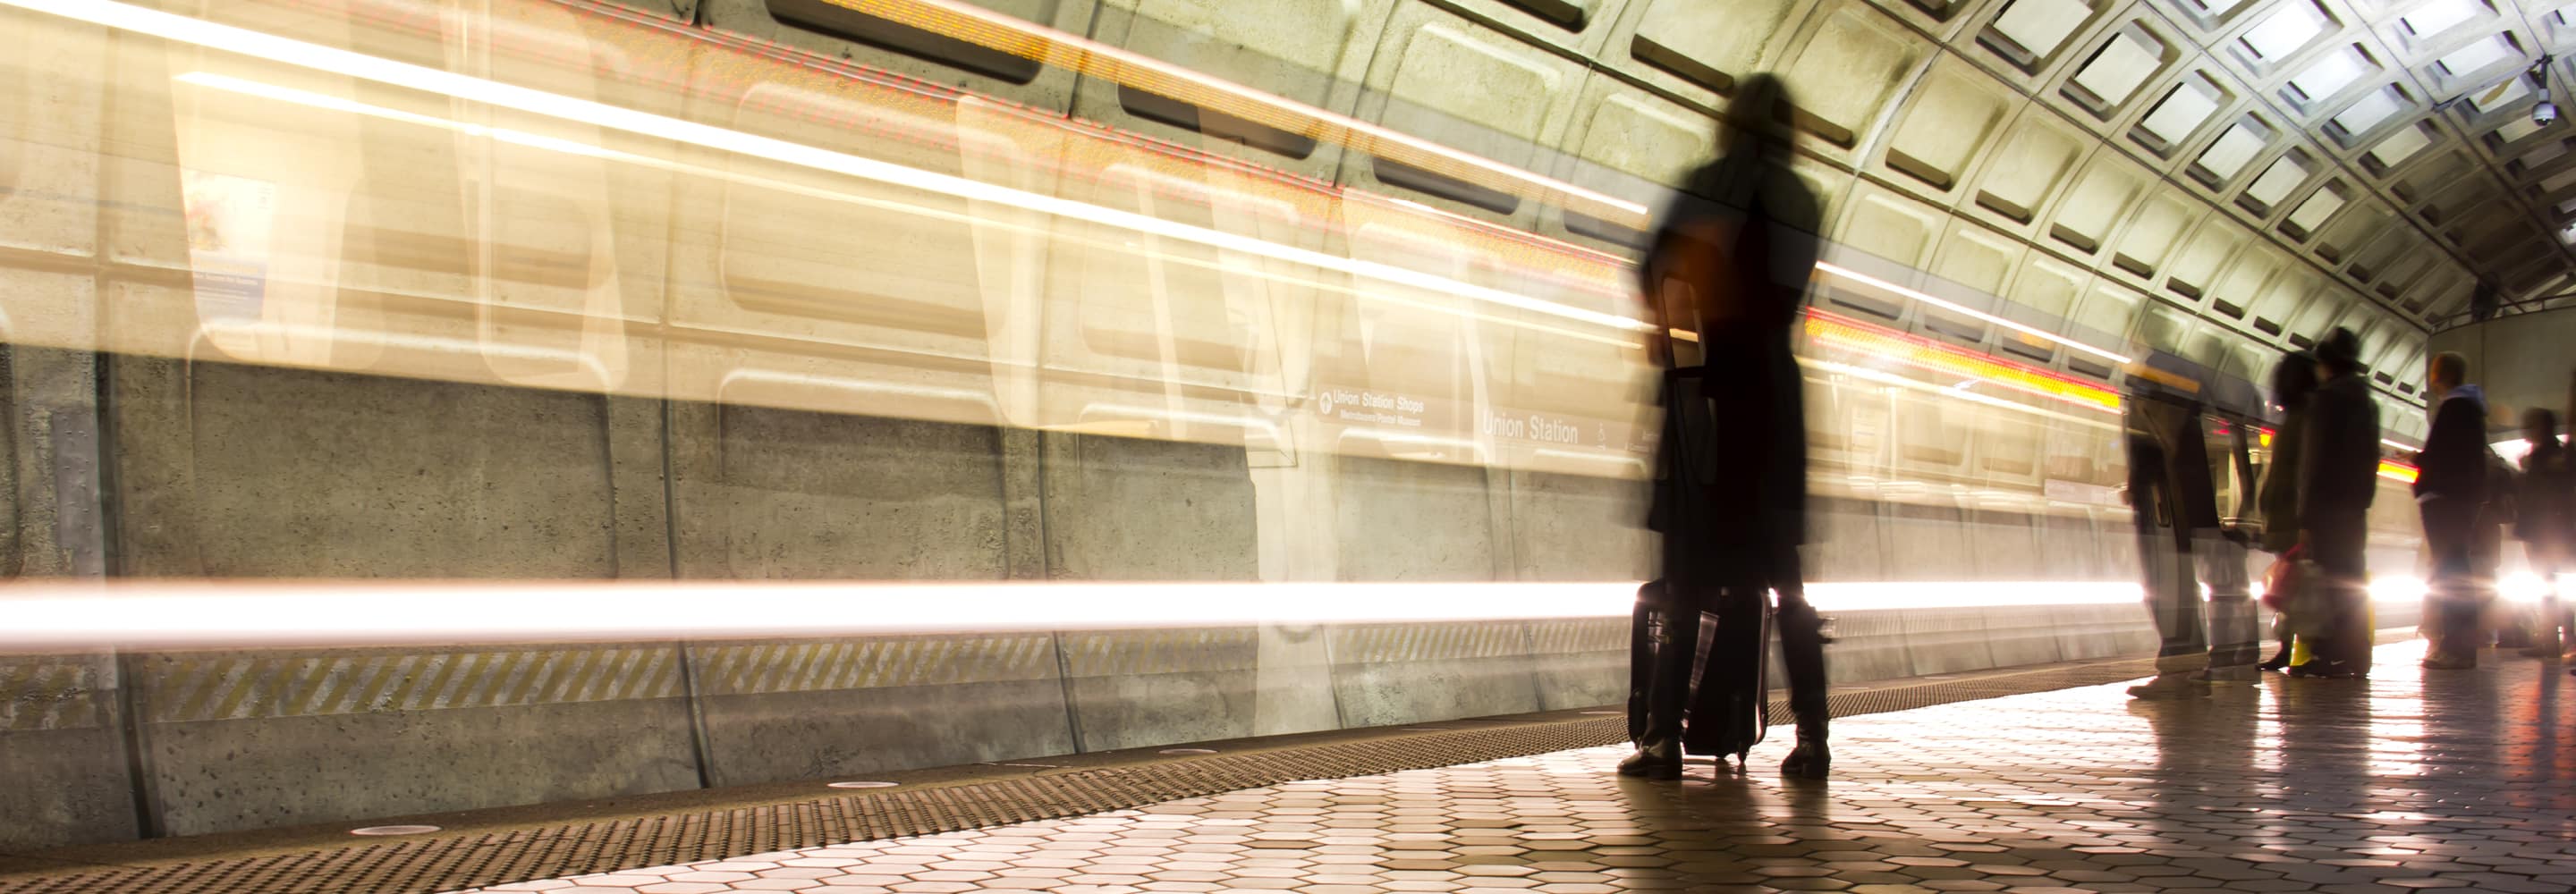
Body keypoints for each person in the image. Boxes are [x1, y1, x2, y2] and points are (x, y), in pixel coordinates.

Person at [1623, 72, 1830, 781]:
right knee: (1787, 584)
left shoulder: (1705, 186)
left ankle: (1662, 740)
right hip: (1773, 399)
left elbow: (1656, 276)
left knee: (1686, 583)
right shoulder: (1803, 198)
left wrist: (1678, 358)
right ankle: (1813, 738)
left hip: (1706, 399)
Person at [2297, 327, 2379, 679]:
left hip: (2327, 508)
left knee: (2327, 581)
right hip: (2354, 508)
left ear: (2326, 364)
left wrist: (2305, 515)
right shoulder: (2367, 403)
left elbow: (2314, 461)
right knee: (2352, 581)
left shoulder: (2326, 400)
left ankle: (2328, 653)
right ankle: (2355, 655)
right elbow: (2370, 458)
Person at [2414, 351, 2492, 670]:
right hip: (2458, 499)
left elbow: (2446, 457)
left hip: (2446, 500)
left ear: (2439, 374)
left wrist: (2422, 466)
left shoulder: (2455, 408)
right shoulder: (2469, 409)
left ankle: (2455, 648)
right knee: (2455, 571)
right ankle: (2458, 646)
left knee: (2451, 574)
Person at [2258, 351, 2320, 672]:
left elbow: (2296, 470)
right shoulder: (2301, 415)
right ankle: (2291, 647)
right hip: (2288, 515)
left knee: (2296, 586)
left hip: (2293, 516)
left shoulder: (2303, 417)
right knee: (2291, 586)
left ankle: (2299, 650)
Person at [2516, 408, 2571, 662]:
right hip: (2544, 530)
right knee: (2549, 586)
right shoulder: (2544, 456)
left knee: (2550, 585)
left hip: (2545, 532)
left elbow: (2542, 497)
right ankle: (2549, 639)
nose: (2527, 430)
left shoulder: (2551, 456)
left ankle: (2552, 641)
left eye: (2531, 425)